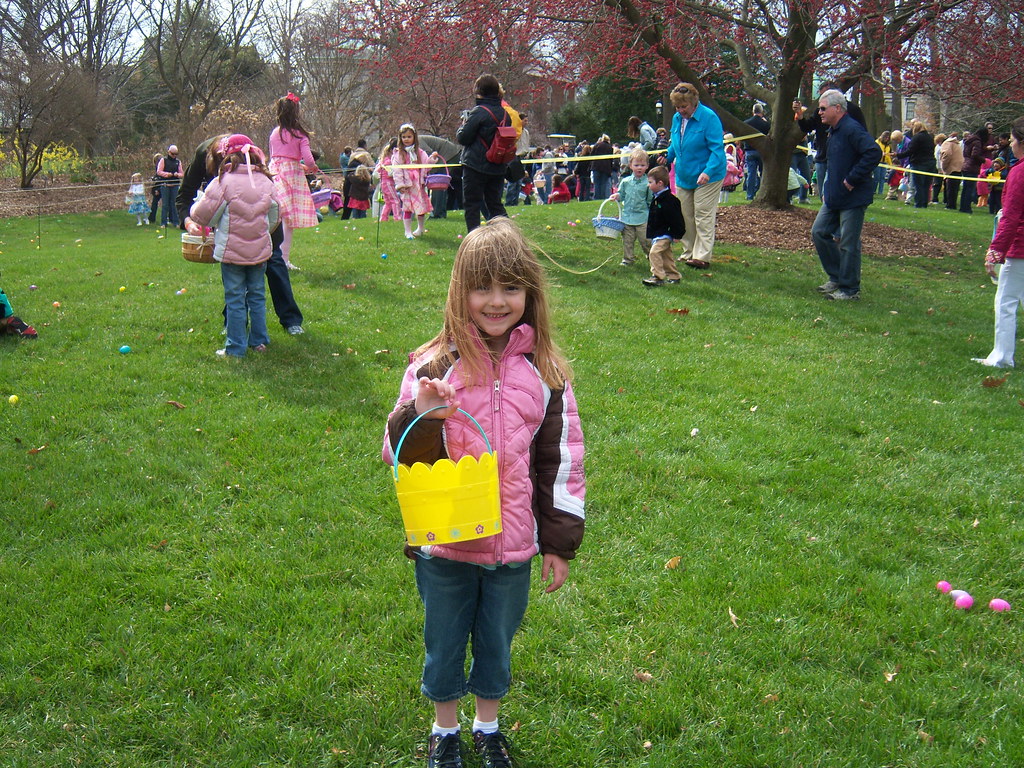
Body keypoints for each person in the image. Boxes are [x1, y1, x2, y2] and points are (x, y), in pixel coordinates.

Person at [383, 218, 585, 768]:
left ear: (530, 293)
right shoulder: (433, 366)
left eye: (511, 288)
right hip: (446, 544)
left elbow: (562, 463)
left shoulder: (546, 373)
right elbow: (397, 454)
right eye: (482, 287)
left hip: (511, 548)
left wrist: (558, 543)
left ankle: (487, 727)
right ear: (459, 292)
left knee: (496, 641)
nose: (496, 301)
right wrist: (424, 413)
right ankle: (444, 730)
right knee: (444, 640)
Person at [178, 134, 305, 336]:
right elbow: (185, 194)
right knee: (243, 286)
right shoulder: (204, 155)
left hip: (261, 226)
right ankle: (240, 328)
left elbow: (274, 208)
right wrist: (188, 221)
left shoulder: (249, 160)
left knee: (272, 265)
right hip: (234, 226)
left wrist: (265, 230)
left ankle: (290, 320)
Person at [188, 134, 279, 358]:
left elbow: (203, 215)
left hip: (232, 252)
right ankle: (259, 340)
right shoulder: (266, 181)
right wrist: (261, 233)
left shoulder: (223, 182)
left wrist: (195, 209)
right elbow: (276, 214)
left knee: (235, 298)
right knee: (257, 295)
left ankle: (236, 347)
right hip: (259, 251)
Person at [810, 89, 882, 301]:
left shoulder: (852, 129)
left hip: (853, 197)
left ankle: (850, 290)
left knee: (848, 243)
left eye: (823, 108)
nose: (819, 112)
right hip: (834, 196)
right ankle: (837, 277)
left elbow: (873, 152)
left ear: (837, 108)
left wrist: (852, 179)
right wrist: (829, 188)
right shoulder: (834, 131)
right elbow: (834, 164)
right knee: (819, 232)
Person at [974, 118, 1024, 367]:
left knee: (1006, 302)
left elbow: (1011, 216)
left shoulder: (1019, 173)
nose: (1011, 145)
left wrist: (995, 251)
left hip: (1019, 248)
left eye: (1013, 140)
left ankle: (1002, 357)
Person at [664, 82, 727, 270]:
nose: (680, 110)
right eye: (677, 107)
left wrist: (708, 171)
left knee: (702, 214)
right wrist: (666, 157)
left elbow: (717, 150)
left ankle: (702, 256)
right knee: (685, 216)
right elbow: (676, 143)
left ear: (694, 102)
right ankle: (689, 252)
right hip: (684, 176)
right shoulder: (677, 118)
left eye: (684, 106)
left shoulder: (709, 118)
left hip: (708, 175)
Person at [269, 93, 318, 269]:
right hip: (291, 176)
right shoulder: (299, 135)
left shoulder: (274, 133)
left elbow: (278, 155)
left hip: (274, 172)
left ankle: (271, 255)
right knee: (288, 220)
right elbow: (309, 159)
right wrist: (311, 167)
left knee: (277, 215)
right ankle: (283, 259)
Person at [456, 74, 510, 232]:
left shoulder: (479, 112)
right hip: (497, 165)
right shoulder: (505, 114)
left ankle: (475, 240)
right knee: (495, 204)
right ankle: (508, 235)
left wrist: (463, 125)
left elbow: (463, 138)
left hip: (475, 165)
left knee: (472, 204)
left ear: (479, 91)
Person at [641, 166, 685, 287]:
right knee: (666, 256)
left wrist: (677, 234)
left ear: (660, 183)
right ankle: (674, 276)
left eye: (650, 182)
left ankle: (657, 277)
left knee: (654, 253)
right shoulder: (656, 198)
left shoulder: (669, 201)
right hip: (658, 233)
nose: (648, 185)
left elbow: (677, 219)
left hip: (665, 234)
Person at [391, 123, 436, 238]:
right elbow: (397, 171)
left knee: (420, 207)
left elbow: (426, 166)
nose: (406, 139)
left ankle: (420, 228)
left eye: (409, 136)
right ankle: (407, 231)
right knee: (407, 208)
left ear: (414, 137)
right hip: (407, 185)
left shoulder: (420, 153)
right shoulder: (398, 154)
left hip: (418, 185)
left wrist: (431, 160)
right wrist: (400, 185)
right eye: (404, 137)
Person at [610, 147, 653, 266]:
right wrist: (617, 196)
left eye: (642, 165)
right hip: (627, 217)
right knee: (627, 240)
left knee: (646, 241)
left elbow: (650, 200)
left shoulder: (648, 183)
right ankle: (628, 259)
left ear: (647, 166)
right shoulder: (626, 181)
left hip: (642, 217)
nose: (639, 168)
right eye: (636, 165)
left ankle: (652, 257)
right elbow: (621, 194)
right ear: (630, 165)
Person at [897, 121, 935, 208]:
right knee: (926, 185)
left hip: (919, 163)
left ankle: (918, 203)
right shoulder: (930, 137)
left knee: (919, 185)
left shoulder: (916, 137)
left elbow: (910, 151)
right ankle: (924, 203)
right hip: (930, 163)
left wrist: (898, 155)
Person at [742, 103, 771, 199]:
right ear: (762, 112)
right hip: (762, 151)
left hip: (749, 150)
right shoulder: (765, 124)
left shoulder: (746, 123)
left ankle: (750, 195)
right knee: (763, 173)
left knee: (751, 174)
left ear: (753, 111)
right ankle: (763, 193)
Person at [960, 127, 991, 214]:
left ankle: (963, 207)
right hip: (972, 167)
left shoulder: (969, 141)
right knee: (970, 189)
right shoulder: (977, 142)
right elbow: (975, 155)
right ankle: (967, 208)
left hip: (965, 165)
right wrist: (983, 160)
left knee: (965, 188)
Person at [155, 145, 184, 227]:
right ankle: (163, 223)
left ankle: (176, 222)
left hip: (175, 185)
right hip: (165, 185)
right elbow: (159, 171)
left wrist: (177, 174)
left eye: (176, 154)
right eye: (172, 154)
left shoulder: (178, 162)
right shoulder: (163, 160)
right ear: (169, 152)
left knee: (174, 204)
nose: (174, 156)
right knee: (165, 204)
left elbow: (182, 174)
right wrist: (167, 174)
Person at [376, 138, 402, 222]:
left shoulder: (383, 161)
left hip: (383, 183)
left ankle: (383, 218)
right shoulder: (388, 162)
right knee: (395, 200)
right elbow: (390, 173)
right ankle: (397, 217)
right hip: (388, 183)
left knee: (388, 202)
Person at [590, 134, 614, 200]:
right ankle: (602, 198)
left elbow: (591, 155)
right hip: (606, 168)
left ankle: (596, 197)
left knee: (596, 184)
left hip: (596, 167)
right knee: (603, 184)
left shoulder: (597, 145)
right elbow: (611, 159)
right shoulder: (610, 147)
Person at [873, 130, 891, 195]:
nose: (887, 139)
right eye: (886, 137)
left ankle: (880, 192)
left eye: (888, 138)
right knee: (876, 177)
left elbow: (888, 156)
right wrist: (880, 154)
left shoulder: (888, 146)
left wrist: (890, 164)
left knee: (882, 177)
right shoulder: (877, 142)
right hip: (877, 162)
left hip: (884, 163)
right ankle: (873, 190)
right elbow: (874, 152)